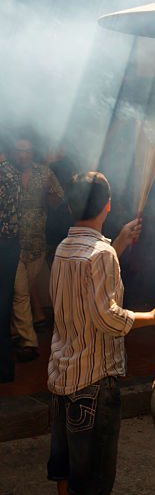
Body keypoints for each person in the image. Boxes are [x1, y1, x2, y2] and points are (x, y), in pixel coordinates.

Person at [47, 171, 155, 495]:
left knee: (68, 469)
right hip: (93, 378)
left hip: (63, 375)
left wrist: (120, 242)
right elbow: (107, 316)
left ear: (72, 206)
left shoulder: (65, 249)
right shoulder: (100, 256)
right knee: (86, 476)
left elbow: (89, 289)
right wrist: (154, 317)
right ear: (107, 206)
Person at [11, 134, 64, 362]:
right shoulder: (6, 175)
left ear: (32, 153)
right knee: (20, 294)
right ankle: (28, 342)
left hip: (36, 245)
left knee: (31, 291)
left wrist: (48, 192)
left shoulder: (44, 173)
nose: (23, 155)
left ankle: (16, 331)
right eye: (19, 151)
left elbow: (57, 202)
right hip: (11, 246)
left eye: (27, 151)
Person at [0, 139, 21, 383]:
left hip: (3, 246)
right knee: (4, 308)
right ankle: (5, 369)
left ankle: (4, 368)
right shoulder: (13, 173)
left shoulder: (4, 175)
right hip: (10, 247)